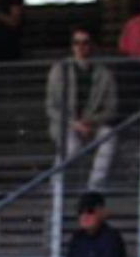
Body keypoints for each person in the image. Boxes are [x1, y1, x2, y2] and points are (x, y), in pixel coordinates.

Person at [45, 28, 116, 193]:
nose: (81, 47)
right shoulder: (59, 70)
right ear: (72, 46)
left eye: (85, 43)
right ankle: (55, 185)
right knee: (71, 147)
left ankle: (94, 187)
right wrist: (73, 123)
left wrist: (89, 122)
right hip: (65, 124)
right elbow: (51, 106)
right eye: (76, 43)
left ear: (91, 45)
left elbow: (111, 108)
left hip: (92, 124)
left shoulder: (104, 74)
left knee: (109, 135)